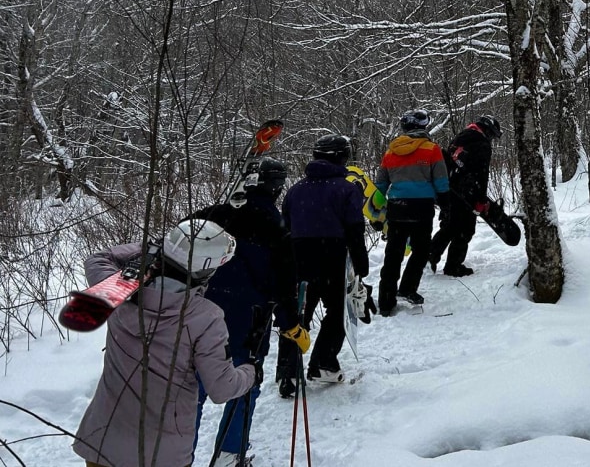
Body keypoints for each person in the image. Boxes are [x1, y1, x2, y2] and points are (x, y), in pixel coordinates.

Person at [74, 221, 257, 467]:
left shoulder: (119, 291)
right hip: (162, 455)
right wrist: (250, 372)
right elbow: (222, 388)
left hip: (102, 444)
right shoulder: (205, 317)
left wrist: (156, 248)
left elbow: (98, 258)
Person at [188, 159, 309, 465]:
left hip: (198, 319)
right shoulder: (276, 229)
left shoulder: (209, 217)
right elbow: (285, 289)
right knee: (244, 382)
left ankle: (179, 455)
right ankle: (229, 456)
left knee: (192, 389)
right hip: (247, 324)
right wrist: (292, 327)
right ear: (276, 187)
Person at [280, 134, 369, 384]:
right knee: (339, 310)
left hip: (299, 257)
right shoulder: (347, 189)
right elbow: (354, 230)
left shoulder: (295, 190)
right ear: (341, 157)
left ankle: (287, 372)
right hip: (334, 256)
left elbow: (284, 228)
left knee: (299, 312)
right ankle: (323, 363)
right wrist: (361, 266)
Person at [375, 109, 451, 313]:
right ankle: (408, 289)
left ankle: (385, 300)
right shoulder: (432, 149)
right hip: (421, 208)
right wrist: (446, 204)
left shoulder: (390, 151)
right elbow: (442, 181)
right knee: (420, 251)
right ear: (423, 127)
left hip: (397, 207)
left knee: (393, 254)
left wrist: (376, 209)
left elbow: (381, 183)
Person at [429, 115, 502, 277]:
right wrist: (480, 200)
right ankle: (453, 266)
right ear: (488, 131)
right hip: (466, 193)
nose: (491, 139)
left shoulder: (460, 138)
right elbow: (482, 174)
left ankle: (429, 257)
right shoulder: (482, 144)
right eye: (492, 135)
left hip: (449, 189)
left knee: (448, 227)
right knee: (465, 229)